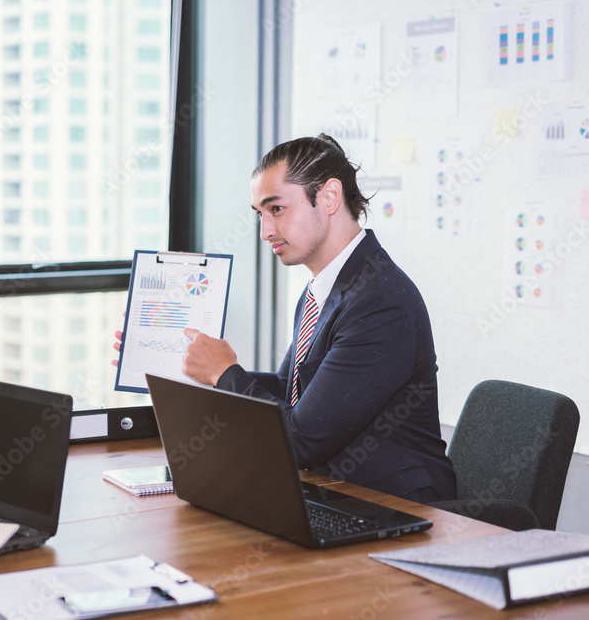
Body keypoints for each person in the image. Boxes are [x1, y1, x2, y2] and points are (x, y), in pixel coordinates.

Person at [118, 135, 456, 504]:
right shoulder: (324, 288)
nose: (265, 231)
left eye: (276, 209)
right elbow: (289, 391)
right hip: (333, 490)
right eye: (259, 214)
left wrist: (224, 373)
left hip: (396, 506)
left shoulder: (379, 303)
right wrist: (188, 364)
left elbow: (299, 439)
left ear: (328, 198)